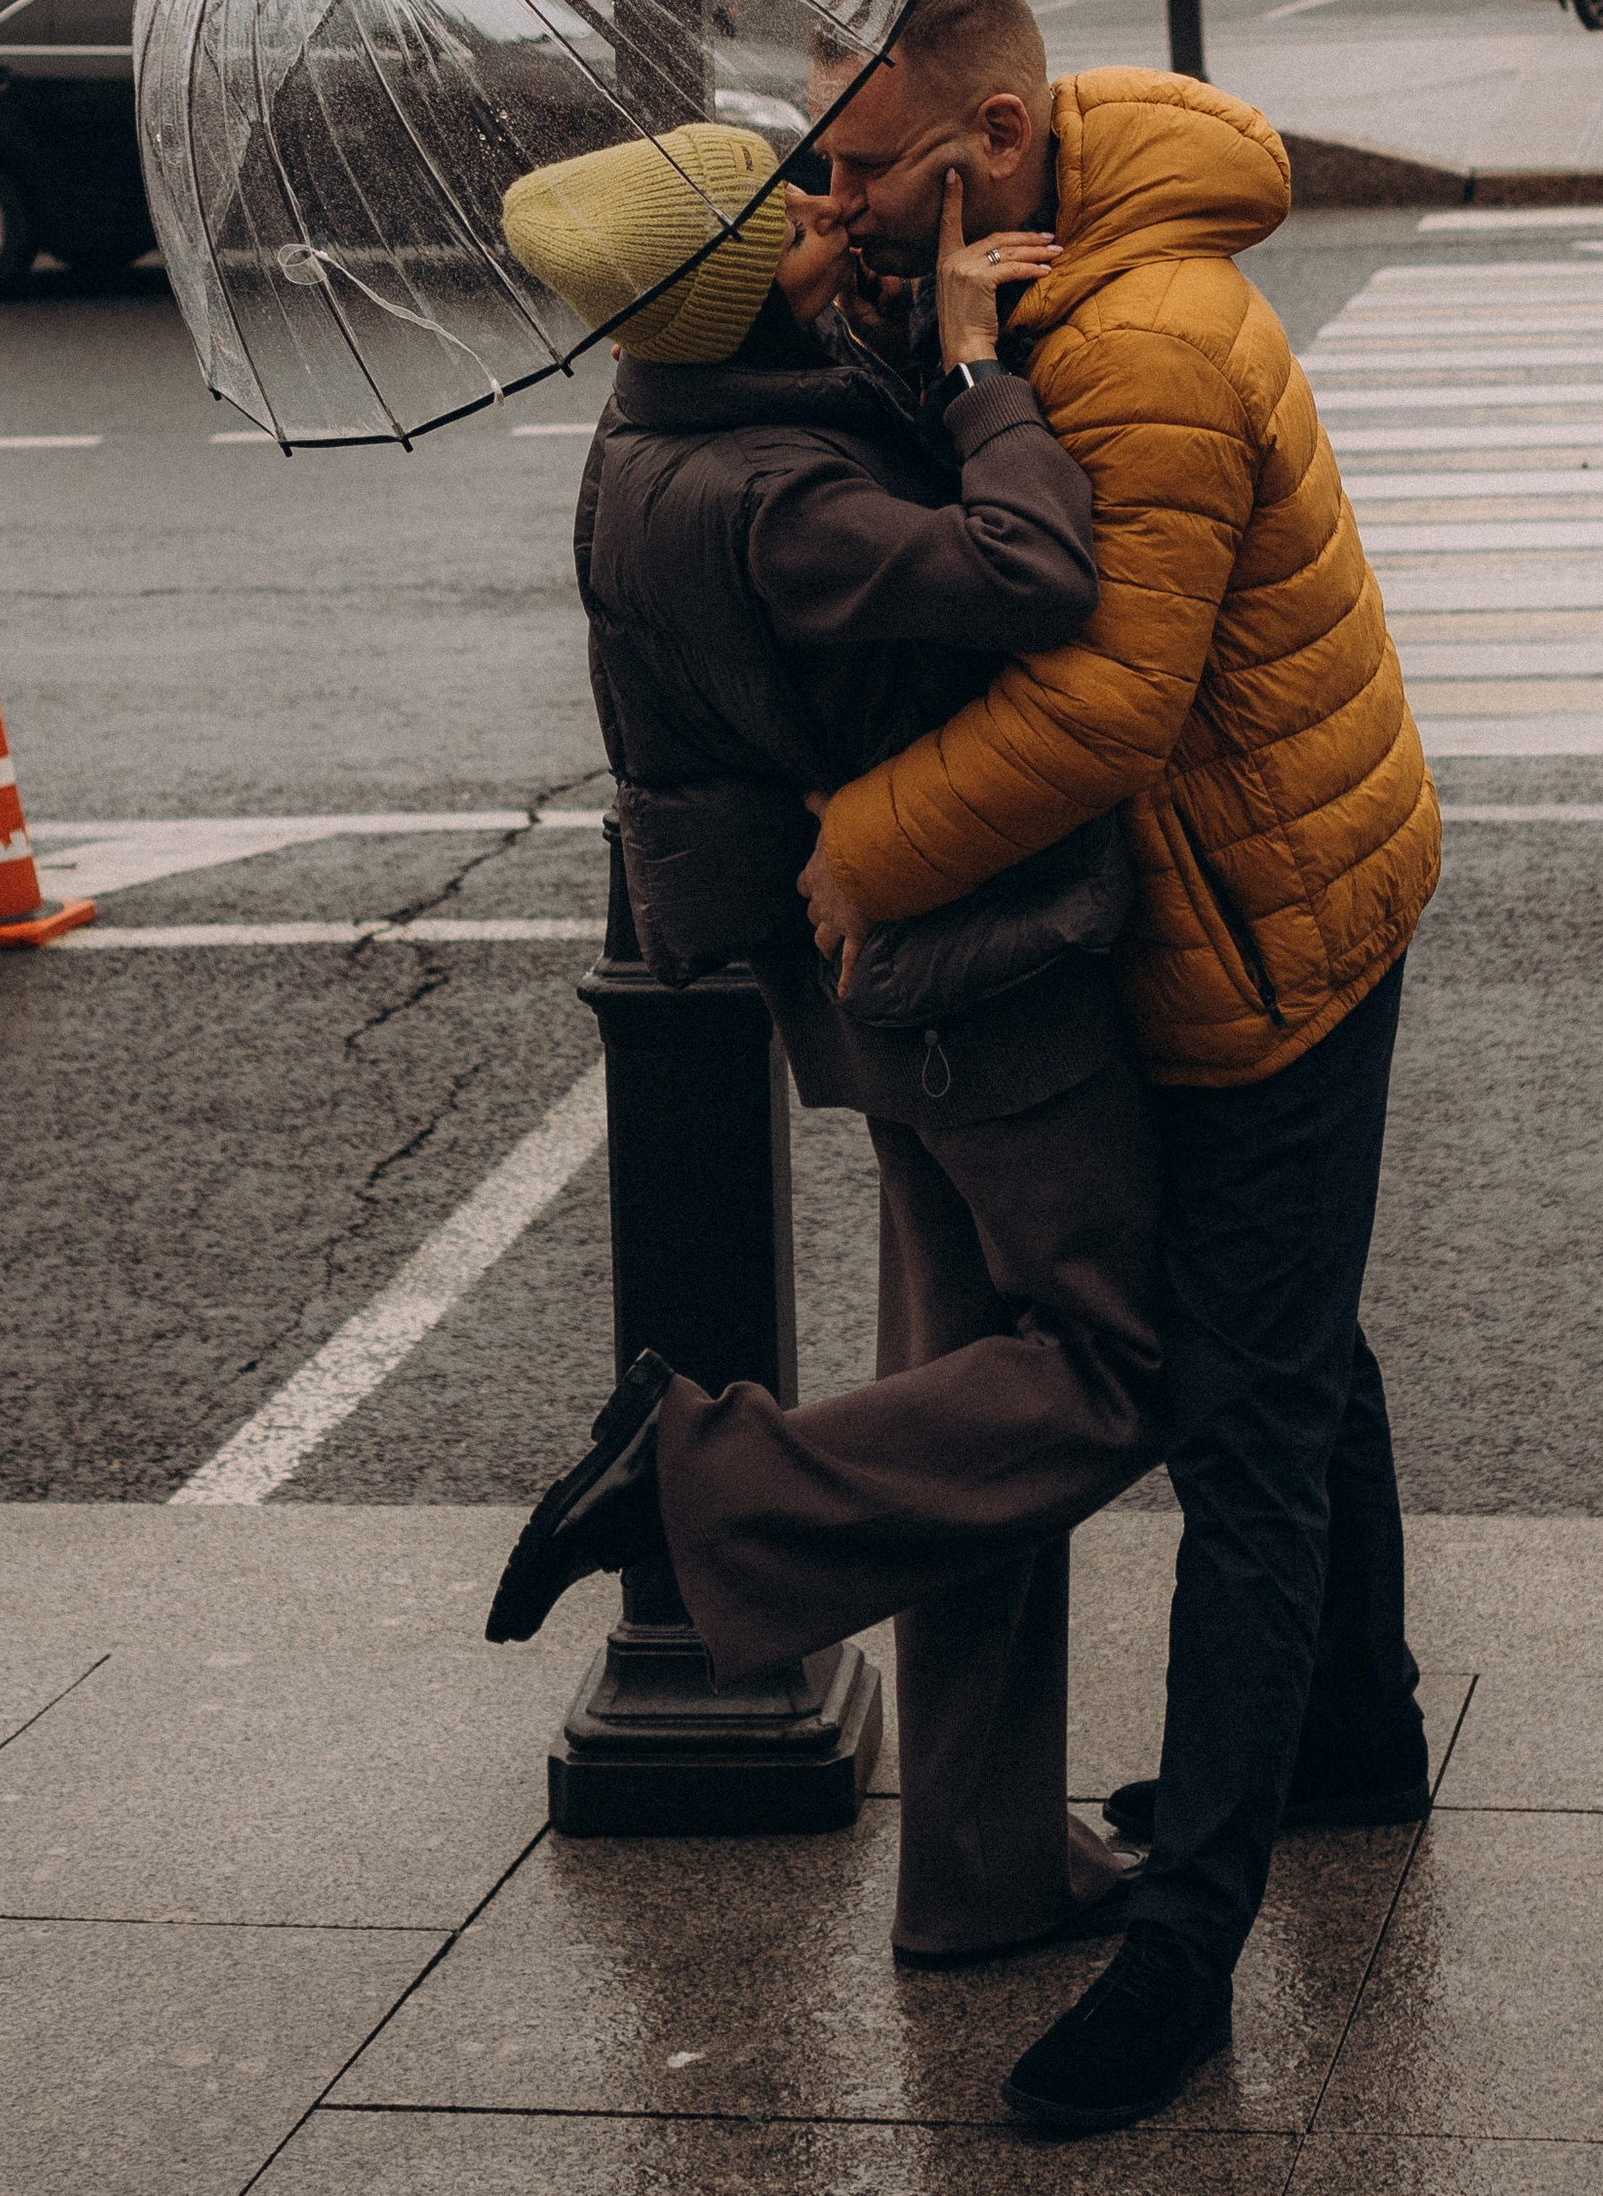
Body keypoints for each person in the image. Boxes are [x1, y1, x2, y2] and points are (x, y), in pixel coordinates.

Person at [795, 0, 1441, 2135]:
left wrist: (864, 849)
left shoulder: (1141, 337)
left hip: (1274, 933)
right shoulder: (1036, 276)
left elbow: (1106, 708)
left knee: (1244, 1427)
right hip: (1251, 884)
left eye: (863, 171)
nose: (836, 203)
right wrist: (928, 335)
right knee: (1299, 1336)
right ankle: (1355, 1732)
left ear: (992, 144)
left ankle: (1182, 1958)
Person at [485, 115, 1168, 1966]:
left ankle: (984, 1862)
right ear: (727, 291)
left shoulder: (670, 423)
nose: (822, 207)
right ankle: (699, 1480)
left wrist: (906, 332)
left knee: (970, 1412)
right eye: (780, 213)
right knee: (1122, 1364)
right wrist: (977, 375)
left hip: (890, 989)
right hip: (972, 971)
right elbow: (1032, 573)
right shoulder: (773, 500)